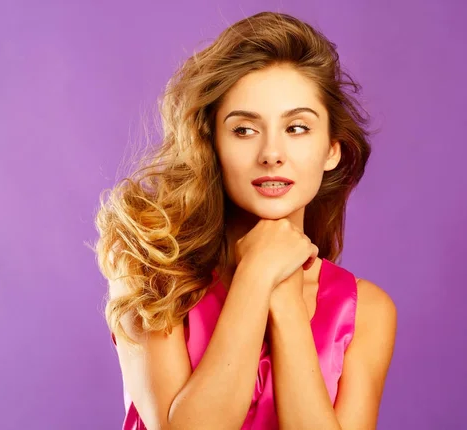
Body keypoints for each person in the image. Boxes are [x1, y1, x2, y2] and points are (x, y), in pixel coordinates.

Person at [93, 11, 397, 430]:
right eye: (244, 130)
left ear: (332, 149)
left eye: (296, 127)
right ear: (211, 144)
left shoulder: (365, 311)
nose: (272, 153)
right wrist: (256, 273)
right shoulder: (151, 269)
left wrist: (286, 301)